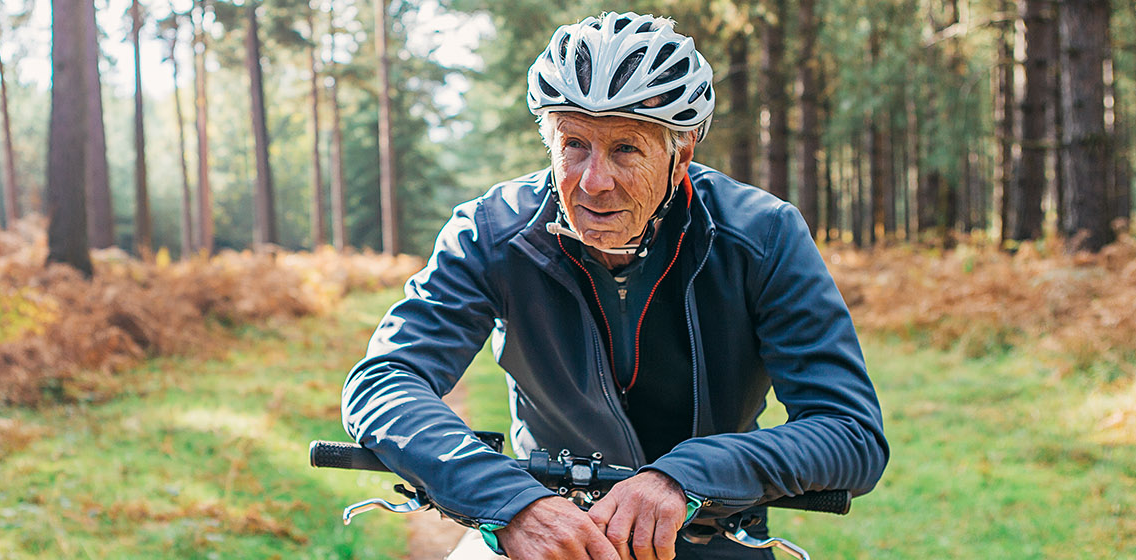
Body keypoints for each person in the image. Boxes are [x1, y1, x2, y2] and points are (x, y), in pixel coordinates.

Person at [341, 11, 888, 560]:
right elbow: (385, 380)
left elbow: (848, 430)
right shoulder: (491, 231)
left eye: (626, 149)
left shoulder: (761, 235)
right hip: (542, 524)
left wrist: (685, 477)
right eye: (574, 144)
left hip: (708, 530)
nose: (593, 181)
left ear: (681, 157)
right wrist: (508, 501)